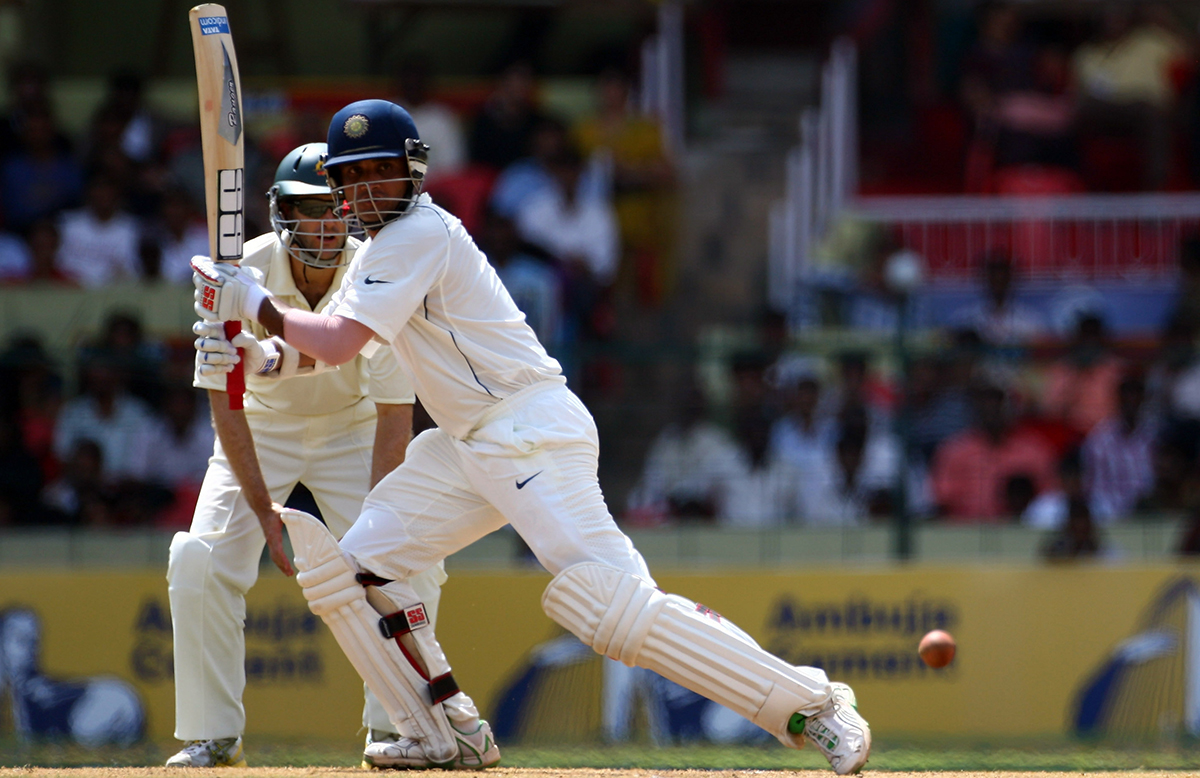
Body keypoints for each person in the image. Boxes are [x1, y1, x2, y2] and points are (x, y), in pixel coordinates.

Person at [191, 100, 870, 774]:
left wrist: (249, 302)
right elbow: (327, 346)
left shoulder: (417, 236)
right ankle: (443, 731)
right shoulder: (375, 254)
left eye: (381, 171)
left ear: (414, 172)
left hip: (525, 431)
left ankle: (811, 707)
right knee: (356, 571)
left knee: (611, 608)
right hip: (466, 445)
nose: (368, 188)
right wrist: (259, 356)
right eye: (354, 176)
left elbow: (335, 341)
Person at [165, 143, 447, 768]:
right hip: (262, 428)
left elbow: (394, 418)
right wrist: (267, 515)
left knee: (404, 563)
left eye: (331, 209)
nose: (320, 224)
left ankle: (396, 728)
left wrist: (382, 533)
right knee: (200, 561)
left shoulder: (378, 272)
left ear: (350, 212)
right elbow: (226, 404)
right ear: (280, 214)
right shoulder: (241, 272)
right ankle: (212, 734)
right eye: (304, 209)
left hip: (355, 426)